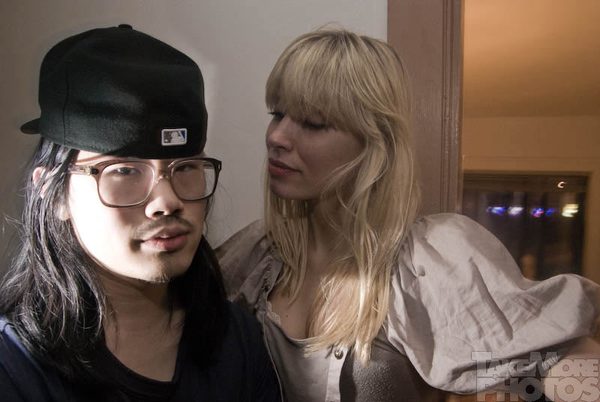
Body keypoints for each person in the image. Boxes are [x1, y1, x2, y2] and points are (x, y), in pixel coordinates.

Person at [217, 29, 600, 401]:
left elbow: (544, 366)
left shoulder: (425, 266)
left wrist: (548, 385)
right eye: (277, 114)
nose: (277, 137)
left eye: (313, 123)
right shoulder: (254, 256)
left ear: (373, 145)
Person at [0, 24, 280, 402]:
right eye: (125, 171)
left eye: (185, 167)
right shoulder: (16, 367)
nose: (166, 200)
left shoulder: (236, 344)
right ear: (54, 192)